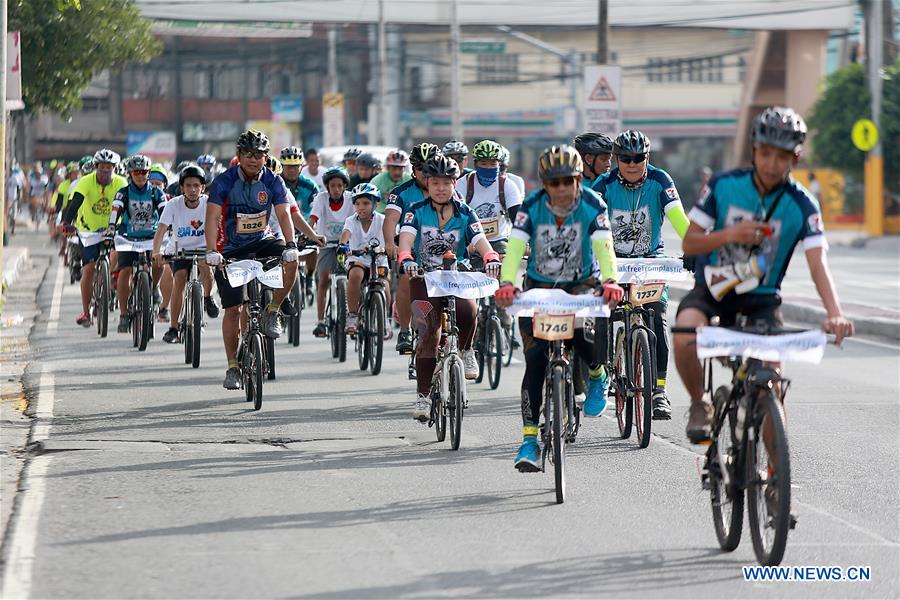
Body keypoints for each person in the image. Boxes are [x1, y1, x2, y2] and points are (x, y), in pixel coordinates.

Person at [673, 106, 854, 444]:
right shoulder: (723, 185)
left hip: (762, 301)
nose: (772, 163)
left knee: (771, 382)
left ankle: (774, 480)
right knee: (684, 335)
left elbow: (818, 263)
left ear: (795, 158)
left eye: (782, 156)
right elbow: (690, 241)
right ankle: (700, 403)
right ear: (754, 149)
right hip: (715, 291)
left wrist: (835, 313)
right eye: (766, 153)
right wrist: (729, 235)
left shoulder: (803, 205)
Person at [494, 145, 623, 472]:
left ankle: (597, 374)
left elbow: (604, 248)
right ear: (545, 184)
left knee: (582, 335)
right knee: (536, 358)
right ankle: (528, 441)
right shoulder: (531, 208)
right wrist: (507, 283)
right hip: (540, 286)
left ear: (579, 180)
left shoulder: (594, 205)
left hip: (581, 284)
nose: (562, 189)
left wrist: (610, 280)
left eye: (568, 181)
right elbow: (515, 249)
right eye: (555, 182)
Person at [590, 129, 691, 420]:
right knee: (603, 314)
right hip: (613, 262)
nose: (632, 164)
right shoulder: (603, 184)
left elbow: (679, 220)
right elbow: (588, 225)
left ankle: (659, 392)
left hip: (651, 262)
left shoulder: (660, 181)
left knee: (657, 315)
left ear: (647, 158)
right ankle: (603, 373)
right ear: (617, 160)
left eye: (638, 158)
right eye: (625, 159)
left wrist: (695, 247)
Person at [204, 130, 311, 390]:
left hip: (263, 241)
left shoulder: (274, 180)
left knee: (292, 261)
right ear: (239, 156)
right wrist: (210, 250)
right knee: (234, 309)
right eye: (248, 155)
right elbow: (211, 218)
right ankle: (232, 366)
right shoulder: (224, 181)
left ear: (266, 157)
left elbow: (284, 214)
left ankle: (273, 310)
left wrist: (291, 244)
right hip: (229, 249)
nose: (253, 160)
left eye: (259, 155)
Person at [397, 154, 502, 421]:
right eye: (435, 183)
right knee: (429, 333)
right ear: (427, 184)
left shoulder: (465, 212)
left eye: (447, 182)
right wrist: (406, 257)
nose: (441, 188)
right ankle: (422, 396)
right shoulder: (416, 211)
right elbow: (406, 240)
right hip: (424, 278)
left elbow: (480, 240)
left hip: (455, 277)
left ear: (455, 184)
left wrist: (489, 257)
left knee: (468, 311)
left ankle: (466, 351)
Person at [383, 142, 441, 354]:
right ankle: (405, 330)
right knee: (407, 279)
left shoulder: (447, 191)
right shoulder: (401, 192)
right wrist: (390, 243)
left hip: (441, 252)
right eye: (420, 169)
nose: (425, 175)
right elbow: (390, 219)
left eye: (430, 168)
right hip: (411, 252)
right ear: (412, 169)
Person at [152, 165, 219, 343]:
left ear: (203, 187)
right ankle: (173, 328)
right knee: (179, 279)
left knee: (206, 266)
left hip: (204, 249)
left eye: (196, 185)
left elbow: (219, 225)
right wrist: (156, 251)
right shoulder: (173, 204)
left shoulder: (209, 203)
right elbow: (161, 230)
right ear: (181, 187)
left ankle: (208, 297)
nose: (192, 190)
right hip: (179, 251)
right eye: (188, 185)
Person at [62, 149, 128, 326]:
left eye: (109, 167)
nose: (105, 170)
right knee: (89, 269)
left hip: (113, 229)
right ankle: (86, 312)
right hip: (89, 231)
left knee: (120, 260)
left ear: (114, 168)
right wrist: (67, 222)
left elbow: (129, 206)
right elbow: (75, 202)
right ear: (96, 167)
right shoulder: (85, 181)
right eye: (102, 167)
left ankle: (112, 282)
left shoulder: (121, 182)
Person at [107, 155, 167, 333]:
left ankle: (153, 287)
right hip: (128, 237)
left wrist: (170, 227)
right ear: (130, 174)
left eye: (144, 172)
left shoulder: (157, 192)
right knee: (124, 270)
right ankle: (124, 314)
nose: (140, 176)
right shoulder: (123, 192)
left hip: (151, 237)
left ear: (148, 173)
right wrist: (111, 226)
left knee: (158, 262)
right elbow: (116, 209)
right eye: (136, 172)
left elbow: (164, 211)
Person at [337, 183, 390, 336]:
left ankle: (384, 318)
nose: (361, 207)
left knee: (384, 284)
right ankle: (353, 315)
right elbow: (346, 233)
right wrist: (342, 245)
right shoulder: (351, 221)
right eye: (357, 203)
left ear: (376, 204)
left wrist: (393, 247)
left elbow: (391, 238)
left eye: (366, 203)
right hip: (358, 259)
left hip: (379, 260)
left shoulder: (383, 220)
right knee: (355, 275)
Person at [456, 140, 523, 259]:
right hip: (471, 241)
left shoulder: (508, 185)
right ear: (475, 164)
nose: (488, 168)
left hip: (499, 240)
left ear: (499, 165)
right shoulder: (462, 184)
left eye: (493, 164)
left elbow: (517, 217)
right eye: (484, 164)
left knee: (504, 265)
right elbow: (456, 217)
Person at [309, 166, 355, 337]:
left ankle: (354, 315)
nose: (336, 189)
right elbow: (313, 218)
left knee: (353, 277)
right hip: (326, 244)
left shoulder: (351, 199)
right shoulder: (321, 198)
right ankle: (321, 321)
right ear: (327, 187)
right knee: (324, 280)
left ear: (345, 187)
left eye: (340, 186)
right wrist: (311, 234)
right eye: (333, 186)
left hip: (348, 245)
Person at [280, 146, 321, 281]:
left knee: (313, 249)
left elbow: (317, 210)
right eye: (288, 167)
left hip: (306, 224)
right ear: (282, 166)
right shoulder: (276, 184)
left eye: (295, 166)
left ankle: (310, 278)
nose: (292, 170)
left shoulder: (310, 186)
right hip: (282, 226)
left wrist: (311, 228)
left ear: (301, 167)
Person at [27, 162, 50, 227]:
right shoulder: (32, 179)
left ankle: (43, 213)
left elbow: (46, 189)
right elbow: (30, 189)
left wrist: (46, 198)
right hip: (34, 195)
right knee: (31, 204)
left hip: (41, 195)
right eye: (36, 174)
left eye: (38, 174)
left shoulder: (44, 179)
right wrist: (29, 197)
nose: (38, 175)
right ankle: (32, 213)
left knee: (44, 204)